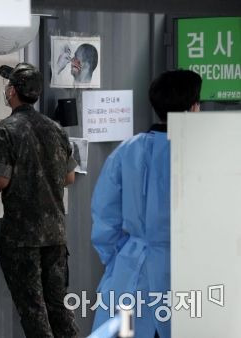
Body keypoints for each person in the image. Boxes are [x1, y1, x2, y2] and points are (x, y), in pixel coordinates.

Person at [0, 62, 79, 338]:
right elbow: (70, 177)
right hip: (55, 236)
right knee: (59, 309)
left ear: (11, 91)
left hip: (23, 239)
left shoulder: (6, 131)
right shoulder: (56, 129)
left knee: (34, 310)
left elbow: (0, 180)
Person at [90, 70, 202, 338]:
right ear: (193, 107)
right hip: (189, 276)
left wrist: (123, 258)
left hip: (132, 273)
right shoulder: (205, 153)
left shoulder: (126, 151)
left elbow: (105, 220)